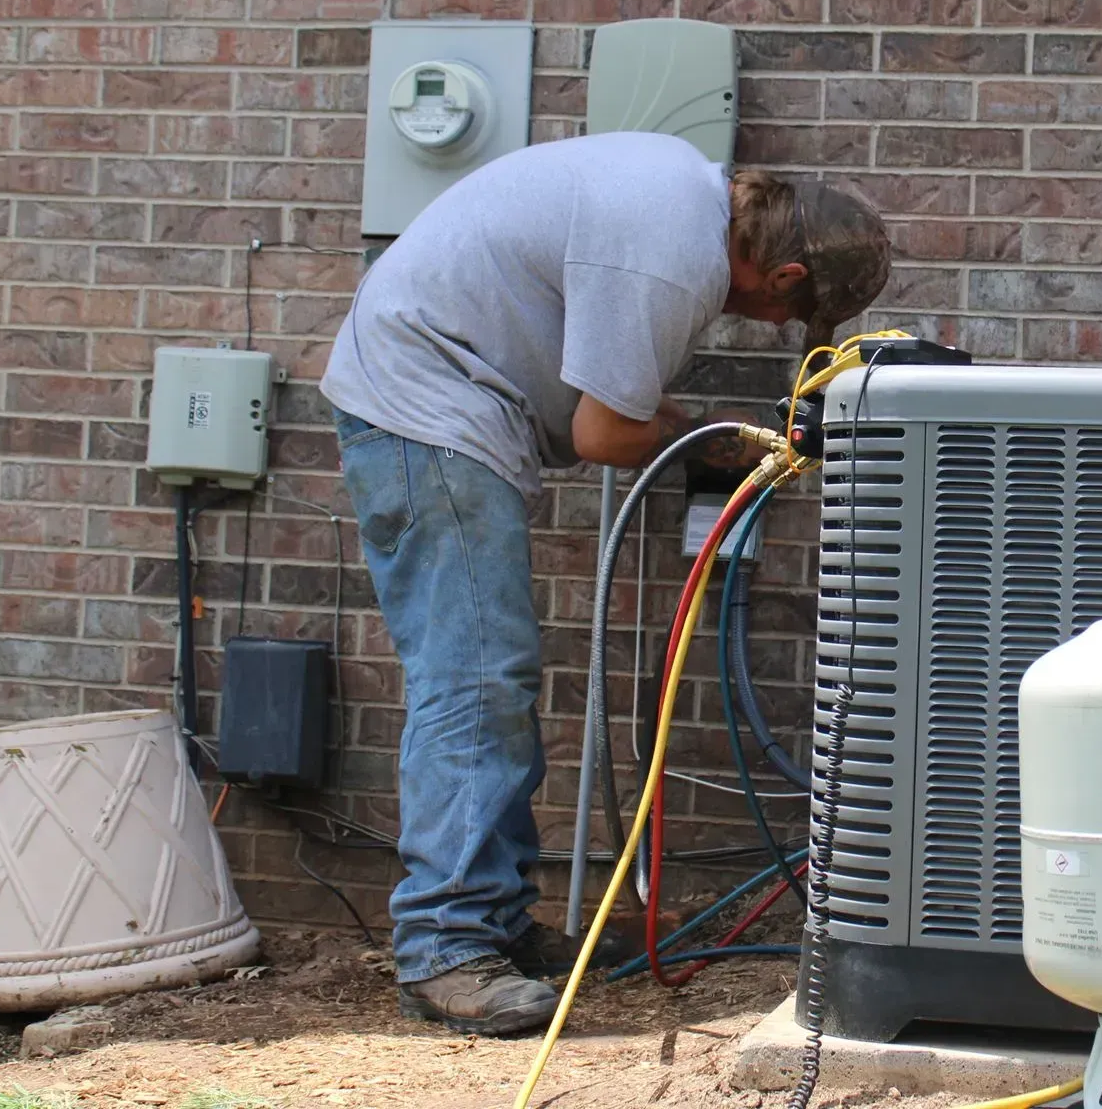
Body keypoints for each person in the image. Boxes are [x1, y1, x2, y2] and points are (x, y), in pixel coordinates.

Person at [319, 130, 892, 1036]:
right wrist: (721, 438)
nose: (778, 329)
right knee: (473, 681)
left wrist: (689, 428)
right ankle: (445, 945)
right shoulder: (673, 261)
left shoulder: (681, 200)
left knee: (492, 679)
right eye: (794, 317)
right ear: (781, 277)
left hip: (438, 398)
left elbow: (619, 413)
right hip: (423, 406)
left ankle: (494, 923)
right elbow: (604, 435)